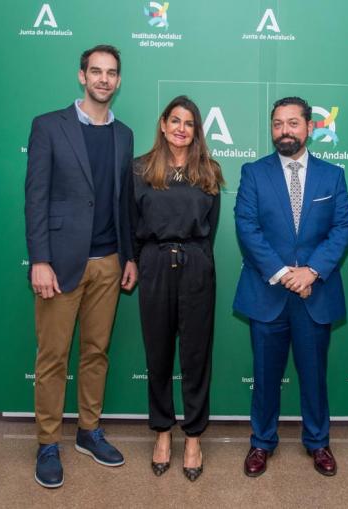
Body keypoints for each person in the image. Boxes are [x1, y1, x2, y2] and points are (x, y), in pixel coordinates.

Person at [25, 45, 137, 489]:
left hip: (108, 263)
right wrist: (40, 259)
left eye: (111, 73)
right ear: (81, 76)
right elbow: (35, 198)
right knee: (52, 357)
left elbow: (122, 202)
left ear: (119, 81)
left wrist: (128, 255)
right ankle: (48, 442)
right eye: (96, 71)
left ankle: (89, 431)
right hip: (60, 264)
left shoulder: (124, 134)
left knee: (96, 353)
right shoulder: (49, 126)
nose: (103, 79)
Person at [234, 96, 348, 477]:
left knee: (314, 375)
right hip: (267, 293)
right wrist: (286, 274)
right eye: (278, 124)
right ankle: (261, 442)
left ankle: (318, 442)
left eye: (293, 123)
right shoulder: (253, 173)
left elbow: (342, 229)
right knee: (265, 376)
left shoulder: (333, 175)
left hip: (314, 294)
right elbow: (247, 228)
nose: (285, 131)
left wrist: (312, 272)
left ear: (309, 127)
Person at [128, 95, 224, 482]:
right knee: (159, 354)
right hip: (152, 264)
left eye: (190, 123)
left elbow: (211, 229)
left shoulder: (210, 172)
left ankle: (194, 437)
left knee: (197, 357)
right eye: (175, 121)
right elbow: (130, 220)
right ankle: (163, 433)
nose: (182, 128)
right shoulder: (139, 169)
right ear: (163, 124)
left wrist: (194, 259)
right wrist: (135, 261)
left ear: (196, 131)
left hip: (197, 264)